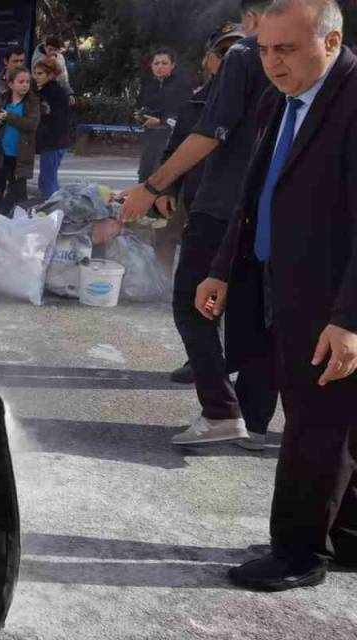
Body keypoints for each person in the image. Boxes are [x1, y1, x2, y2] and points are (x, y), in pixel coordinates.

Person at [197, 0, 357, 591]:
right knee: (337, 424)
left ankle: (297, 553)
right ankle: (346, 537)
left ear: (332, 41)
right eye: (263, 49)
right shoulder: (282, 97)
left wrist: (349, 319)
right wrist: (221, 269)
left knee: (315, 427)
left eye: (286, 49)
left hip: (334, 299)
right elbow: (254, 193)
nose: (271, 62)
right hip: (281, 285)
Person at [122, 0, 275, 448]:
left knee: (192, 303)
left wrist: (151, 187)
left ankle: (222, 411)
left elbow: (211, 132)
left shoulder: (248, 55)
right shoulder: (321, 61)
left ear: (251, 18)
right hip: (267, 207)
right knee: (257, 314)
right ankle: (254, 420)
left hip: (224, 205)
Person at [156, 22, 245, 386]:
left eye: (238, 52)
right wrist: (166, 187)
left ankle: (235, 372)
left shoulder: (262, 97)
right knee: (196, 291)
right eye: (223, 53)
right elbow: (176, 146)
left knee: (237, 292)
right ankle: (203, 359)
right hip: (200, 207)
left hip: (240, 212)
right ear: (209, 60)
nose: (229, 60)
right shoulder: (197, 99)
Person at [0, 65, 40, 228]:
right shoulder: (3, 100)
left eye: (27, 82)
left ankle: (21, 227)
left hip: (20, 157)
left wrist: (9, 117)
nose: (25, 85)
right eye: (21, 82)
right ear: (11, 84)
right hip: (1, 154)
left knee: (19, 193)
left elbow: (31, 124)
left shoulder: (32, 103)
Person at [135, 48, 188, 185]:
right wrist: (139, 116)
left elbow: (185, 114)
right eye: (156, 63)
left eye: (164, 63)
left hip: (171, 141)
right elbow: (140, 106)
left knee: (162, 181)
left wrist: (160, 121)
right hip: (149, 139)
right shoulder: (148, 85)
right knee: (144, 177)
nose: (160, 67)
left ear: (173, 65)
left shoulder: (182, 86)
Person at [33, 59, 71, 199]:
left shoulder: (51, 92)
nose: (36, 76)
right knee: (48, 179)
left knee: (47, 182)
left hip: (53, 141)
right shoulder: (51, 90)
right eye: (35, 73)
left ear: (51, 75)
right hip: (56, 141)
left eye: (40, 73)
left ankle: (54, 210)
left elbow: (53, 118)